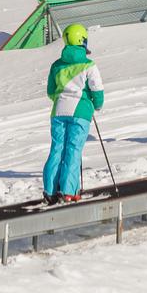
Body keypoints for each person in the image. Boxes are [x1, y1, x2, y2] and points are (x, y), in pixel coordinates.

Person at [43, 23, 104, 204]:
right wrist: (96, 105)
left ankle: (50, 190)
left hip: (58, 111)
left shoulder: (56, 65)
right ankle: (68, 190)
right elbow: (97, 90)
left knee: (57, 148)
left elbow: (51, 91)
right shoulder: (88, 65)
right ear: (82, 40)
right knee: (73, 149)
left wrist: (61, 99)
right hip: (80, 111)